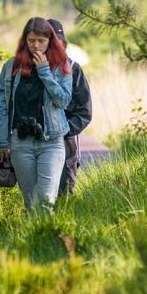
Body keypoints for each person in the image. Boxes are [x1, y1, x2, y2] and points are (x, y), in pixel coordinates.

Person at [0, 17, 72, 213]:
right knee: (30, 204)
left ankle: (46, 233)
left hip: (51, 142)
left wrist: (44, 71)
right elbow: (2, 106)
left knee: (45, 202)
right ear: (25, 40)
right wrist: (2, 142)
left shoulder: (61, 65)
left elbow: (63, 100)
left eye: (41, 41)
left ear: (50, 41)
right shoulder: (11, 66)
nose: (36, 45)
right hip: (21, 143)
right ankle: (33, 234)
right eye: (31, 40)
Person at [48, 18, 92, 197]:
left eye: (58, 43)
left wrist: (64, 131)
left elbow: (85, 111)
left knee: (65, 193)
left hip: (67, 141)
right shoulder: (30, 70)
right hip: (37, 141)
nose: (54, 47)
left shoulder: (74, 69)